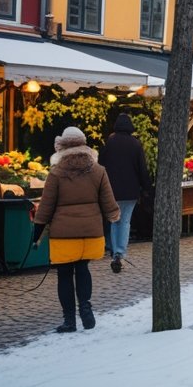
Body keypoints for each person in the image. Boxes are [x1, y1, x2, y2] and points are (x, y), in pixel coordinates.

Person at [32, 127, 119, 333]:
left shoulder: (56, 173)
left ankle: (69, 321)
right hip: (90, 231)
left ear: (62, 146)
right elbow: (109, 203)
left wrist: (37, 234)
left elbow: (46, 206)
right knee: (83, 269)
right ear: (83, 143)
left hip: (63, 234)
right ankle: (86, 308)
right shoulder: (98, 171)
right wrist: (113, 218)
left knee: (64, 275)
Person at [98, 113, 151, 273]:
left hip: (112, 191)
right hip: (130, 191)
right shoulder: (135, 144)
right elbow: (142, 168)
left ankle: (115, 251)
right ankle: (120, 252)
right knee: (125, 221)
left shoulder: (110, 142)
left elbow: (101, 165)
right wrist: (146, 188)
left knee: (114, 220)